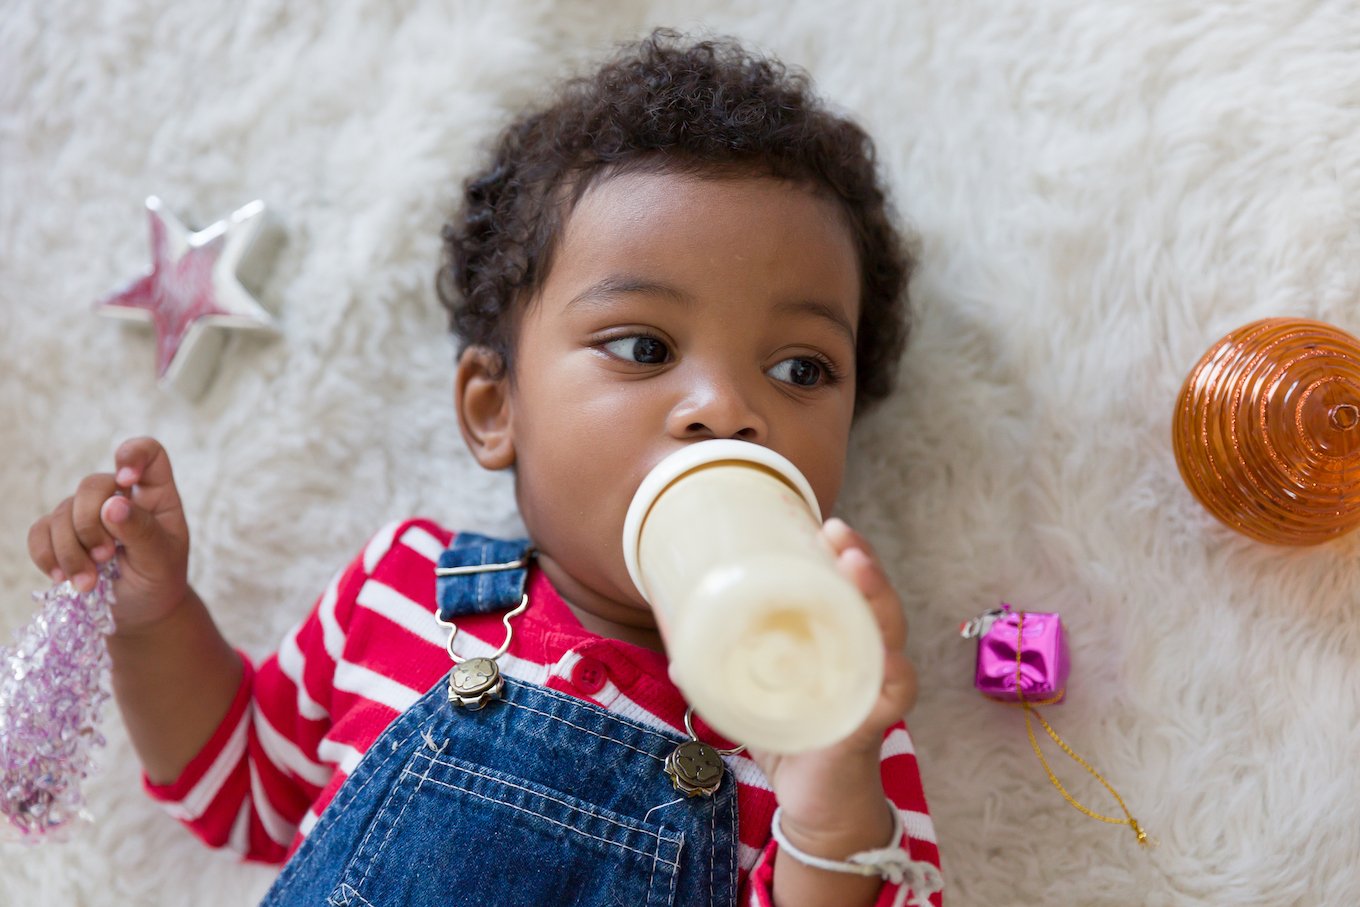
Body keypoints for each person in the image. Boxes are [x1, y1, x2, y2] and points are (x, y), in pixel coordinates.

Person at [27, 29, 942, 907]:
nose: (726, 408)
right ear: (494, 407)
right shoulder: (407, 586)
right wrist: (153, 618)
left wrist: (829, 805)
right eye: (643, 345)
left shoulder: (833, 703)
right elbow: (242, 793)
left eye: (800, 370)